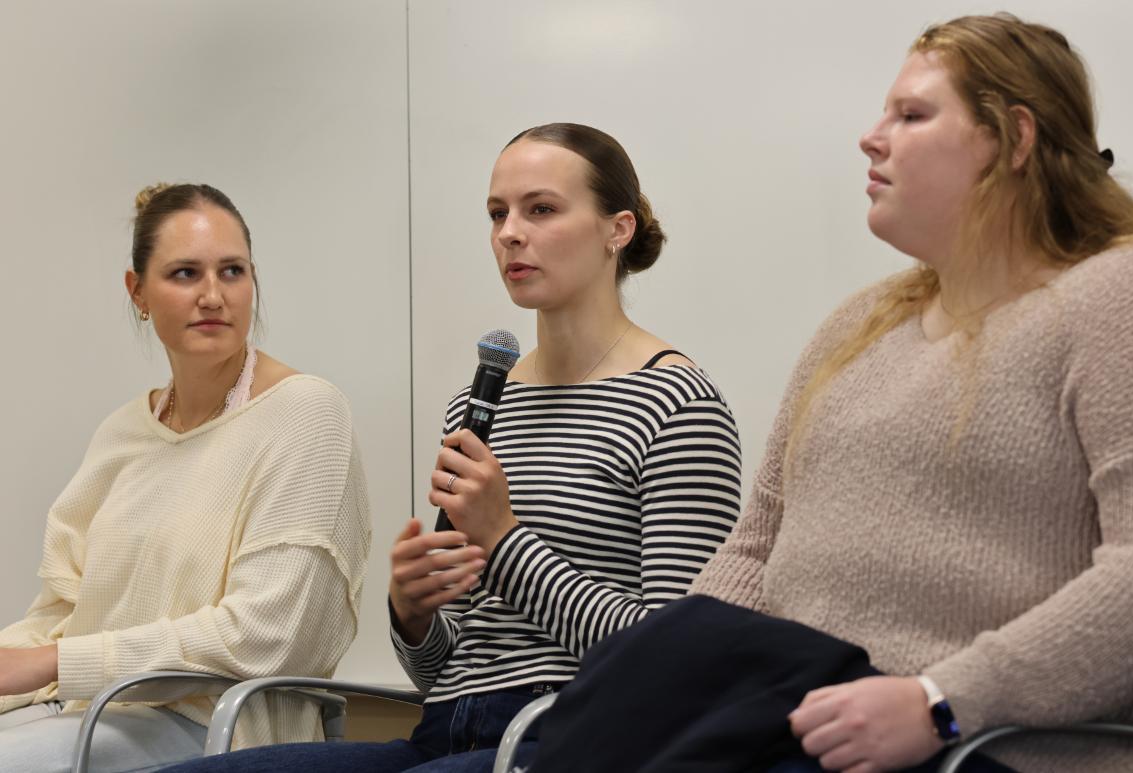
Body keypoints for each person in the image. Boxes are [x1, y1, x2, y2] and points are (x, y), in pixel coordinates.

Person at [165, 124, 743, 773]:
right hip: (445, 727)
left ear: (619, 229)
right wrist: (413, 615)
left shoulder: (677, 403)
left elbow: (675, 662)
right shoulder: (484, 401)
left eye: (541, 209)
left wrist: (504, 540)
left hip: (575, 733)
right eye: (498, 213)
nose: (509, 232)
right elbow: (447, 664)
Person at [684, 13, 1133, 773]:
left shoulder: (1125, 295)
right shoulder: (860, 324)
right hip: (777, 726)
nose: (872, 138)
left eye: (911, 115)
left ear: (1014, 140)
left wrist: (943, 699)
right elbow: (757, 541)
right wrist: (666, 671)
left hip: (972, 750)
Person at [0, 183, 372, 772]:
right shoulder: (123, 433)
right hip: (84, 709)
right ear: (138, 292)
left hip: (219, 729)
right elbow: (60, 614)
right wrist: (30, 661)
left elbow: (263, 636)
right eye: (183, 274)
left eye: (232, 271)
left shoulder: (307, 413)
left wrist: (53, 663)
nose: (212, 295)